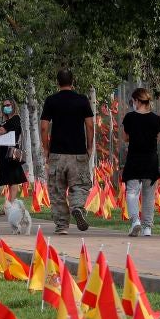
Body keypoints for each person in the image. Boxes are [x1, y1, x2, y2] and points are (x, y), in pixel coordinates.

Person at [40, 68, 94, 234]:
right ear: (73, 81)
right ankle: (77, 207)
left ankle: (62, 225)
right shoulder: (82, 100)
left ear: (57, 82)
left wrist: (46, 148)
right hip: (78, 153)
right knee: (80, 185)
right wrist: (89, 146)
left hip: (57, 153)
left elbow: (44, 127)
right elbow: (90, 125)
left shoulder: (51, 101)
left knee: (57, 190)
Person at [121, 88, 160, 237]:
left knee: (131, 191)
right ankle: (147, 228)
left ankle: (135, 221)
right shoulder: (156, 119)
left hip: (134, 158)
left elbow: (125, 138)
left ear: (137, 101)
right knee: (148, 195)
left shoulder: (129, 118)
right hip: (151, 159)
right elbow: (157, 137)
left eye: (133, 101)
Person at [0, 99, 28, 204]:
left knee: (13, 179)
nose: (6, 107)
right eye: (4, 105)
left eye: (8, 105)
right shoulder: (4, 120)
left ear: (13, 105)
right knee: (8, 180)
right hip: (3, 151)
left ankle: (12, 204)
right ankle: (8, 204)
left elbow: (0, 131)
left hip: (11, 153)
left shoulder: (15, 119)